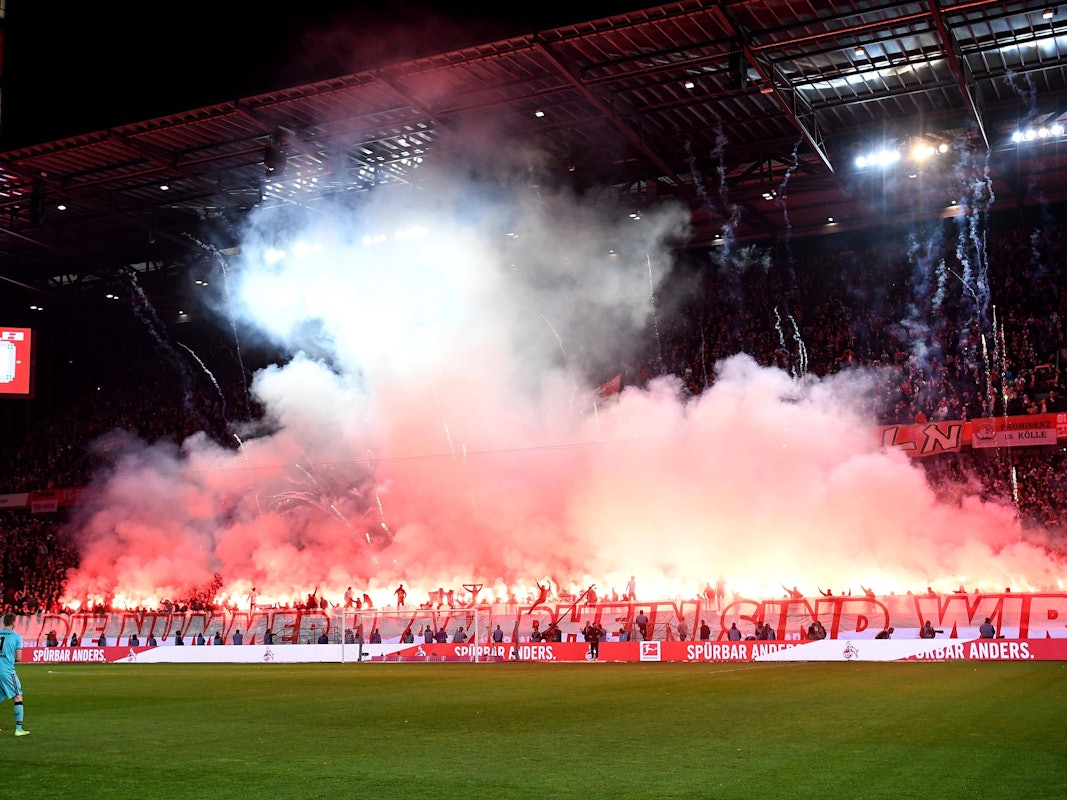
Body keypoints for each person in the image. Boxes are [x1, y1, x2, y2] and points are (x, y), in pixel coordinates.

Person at [0, 613, 29, 736]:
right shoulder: (16, 637)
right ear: (13, 623)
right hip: (6, 671)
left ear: (3, 623)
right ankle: (18, 729)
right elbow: (19, 658)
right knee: (18, 696)